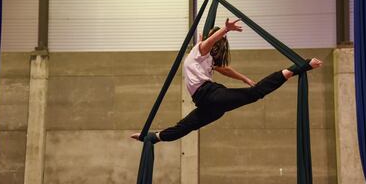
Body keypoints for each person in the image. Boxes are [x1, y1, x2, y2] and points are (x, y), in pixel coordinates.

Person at [131, 18, 322, 143]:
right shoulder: (200, 50)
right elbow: (211, 44)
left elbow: (226, 69)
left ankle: (300, 67)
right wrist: (223, 30)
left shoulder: (204, 54)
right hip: (209, 104)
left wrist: (245, 78)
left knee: (255, 94)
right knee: (185, 126)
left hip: (211, 96)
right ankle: (151, 138)